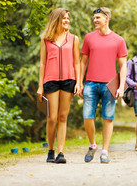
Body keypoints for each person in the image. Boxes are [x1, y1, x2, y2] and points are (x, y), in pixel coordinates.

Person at [80, 7, 127, 163]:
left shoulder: (119, 40)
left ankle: (105, 151)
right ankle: (93, 145)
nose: (95, 20)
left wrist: (121, 87)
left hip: (109, 84)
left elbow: (123, 66)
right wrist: (80, 82)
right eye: (94, 18)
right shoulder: (88, 38)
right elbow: (83, 62)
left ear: (107, 18)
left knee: (108, 118)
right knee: (87, 116)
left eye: (98, 17)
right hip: (91, 83)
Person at [37, 8, 81, 163]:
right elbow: (42, 63)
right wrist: (40, 86)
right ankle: (50, 150)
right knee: (52, 118)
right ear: (56, 20)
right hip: (51, 80)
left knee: (63, 117)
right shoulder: (46, 39)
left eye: (68, 18)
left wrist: (79, 82)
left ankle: (61, 153)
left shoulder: (74, 39)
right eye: (64, 18)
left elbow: (77, 62)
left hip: (69, 80)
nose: (67, 21)